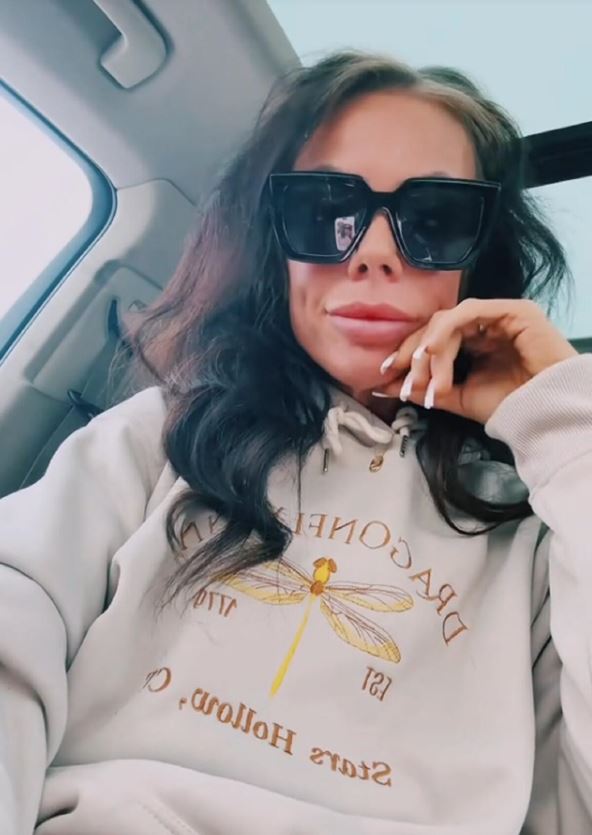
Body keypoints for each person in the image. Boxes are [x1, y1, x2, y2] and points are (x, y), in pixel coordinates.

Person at [1, 50, 590, 835]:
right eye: (324, 210)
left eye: (435, 219)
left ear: (476, 261)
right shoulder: (166, 433)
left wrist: (565, 425)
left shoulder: (541, 532)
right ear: (271, 241)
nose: (374, 251)